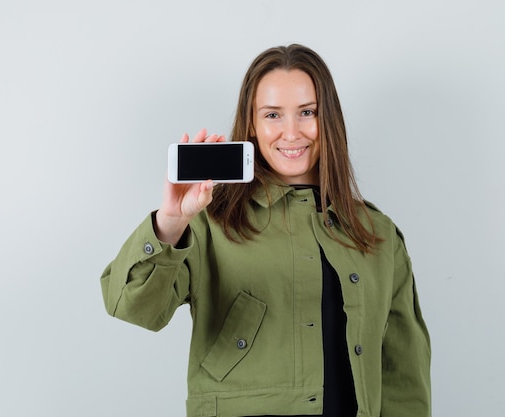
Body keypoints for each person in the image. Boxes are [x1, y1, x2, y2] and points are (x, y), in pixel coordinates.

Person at [100, 44, 431, 417]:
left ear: (330, 121)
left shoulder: (377, 235)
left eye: (307, 112)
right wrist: (171, 222)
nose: (291, 132)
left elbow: (404, 375)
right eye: (273, 114)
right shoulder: (211, 221)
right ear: (252, 125)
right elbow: (130, 306)